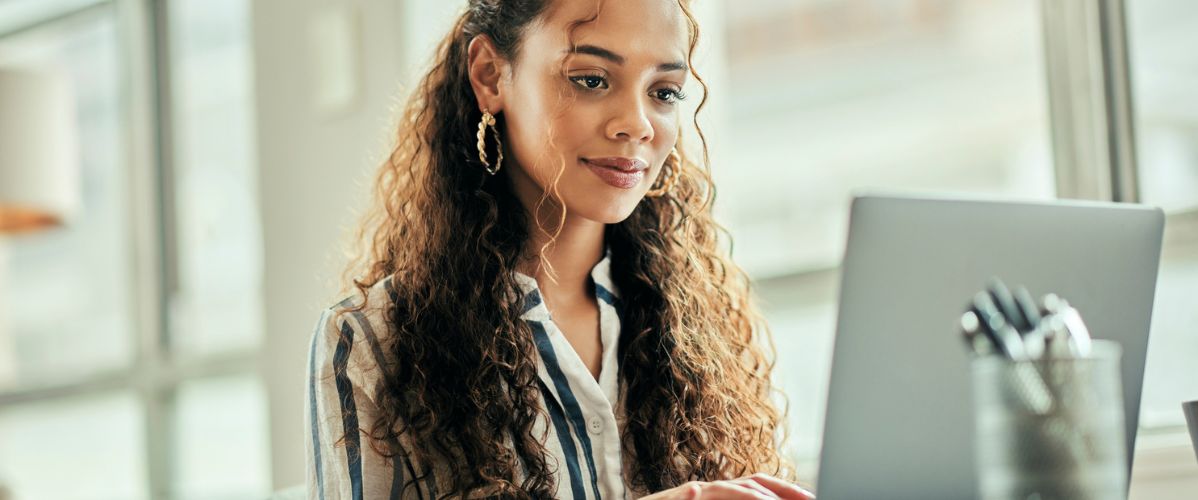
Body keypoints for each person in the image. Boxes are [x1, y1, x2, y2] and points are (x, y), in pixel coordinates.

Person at [305, 0, 814, 498]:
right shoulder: (373, 340)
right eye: (591, 80)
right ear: (489, 75)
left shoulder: (709, 319)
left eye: (664, 91)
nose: (636, 123)